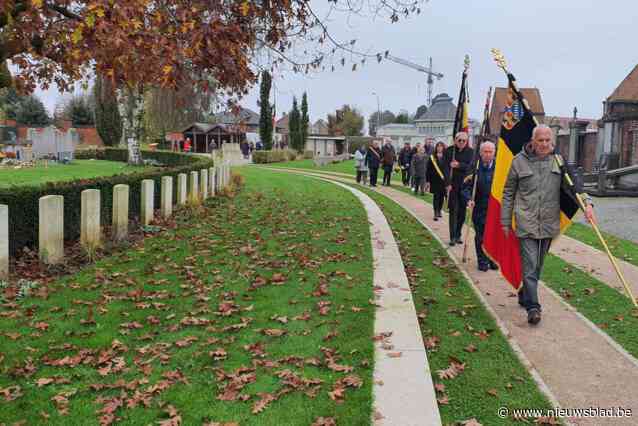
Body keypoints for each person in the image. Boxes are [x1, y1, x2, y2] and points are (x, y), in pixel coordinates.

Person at [501, 125, 595, 325]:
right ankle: (533, 308)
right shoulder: (518, 162)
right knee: (530, 265)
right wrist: (505, 221)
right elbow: (508, 192)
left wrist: (587, 204)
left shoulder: (559, 162)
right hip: (526, 222)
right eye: (540, 140)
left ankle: (524, 291)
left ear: (552, 141)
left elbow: (575, 187)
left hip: (548, 224)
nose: (544, 144)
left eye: (547, 140)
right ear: (533, 141)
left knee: (537, 266)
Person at [464, 141, 498, 272]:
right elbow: (465, 187)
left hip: (494, 208)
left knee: (493, 235)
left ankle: (491, 258)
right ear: (480, 153)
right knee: (481, 235)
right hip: (479, 207)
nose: (488, 154)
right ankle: (482, 260)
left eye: (490, 152)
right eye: (485, 151)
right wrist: (468, 199)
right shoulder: (474, 168)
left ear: (494, 153)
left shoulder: (499, 168)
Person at [444, 132, 473, 245]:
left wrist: (459, 165)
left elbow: (470, 168)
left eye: (464, 141)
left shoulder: (471, 152)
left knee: (461, 212)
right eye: (459, 140)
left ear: (467, 141)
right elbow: (445, 168)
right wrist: (447, 183)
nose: (461, 142)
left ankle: (458, 234)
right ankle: (452, 237)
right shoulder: (449, 151)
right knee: (453, 211)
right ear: (455, 140)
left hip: (464, 187)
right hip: (452, 186)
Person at [426, 141, 447, 220]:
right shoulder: (432, 157)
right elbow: (428, 169)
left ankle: (439, 210)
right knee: (436, 196)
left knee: (441, 196)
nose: (439, 148)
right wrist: (428, 181)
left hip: (443, 180)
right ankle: (435, 212)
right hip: (434, 180)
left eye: (441, 146)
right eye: (438, 146)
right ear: (436, 148)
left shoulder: (446, 156)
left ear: (443, 147)